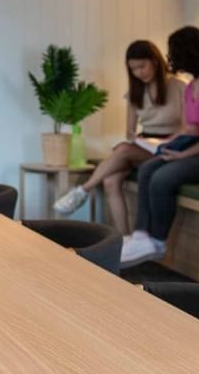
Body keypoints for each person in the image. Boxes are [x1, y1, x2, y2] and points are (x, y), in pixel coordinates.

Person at [120, 26, 199, 268]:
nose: (171, 59)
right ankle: (141, 236)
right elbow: (191, 131)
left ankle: (157, 242)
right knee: (150, 168)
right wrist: (164, 148)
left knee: (164, 177)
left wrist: (183, 155)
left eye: (174, 53)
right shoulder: (192, 87)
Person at [53, 40, 186, 235]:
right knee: (110, 181)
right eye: (133, 69)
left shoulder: (179, 86)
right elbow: (130, 132)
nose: (139, 73)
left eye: (142, 66)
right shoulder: (136, 91)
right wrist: (140, 141)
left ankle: (82, 191)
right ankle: (124, 240)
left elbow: (190, 127)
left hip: (171, 148)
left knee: (123, 149)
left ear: (155, 62)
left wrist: (163, 142)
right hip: (144, 146)